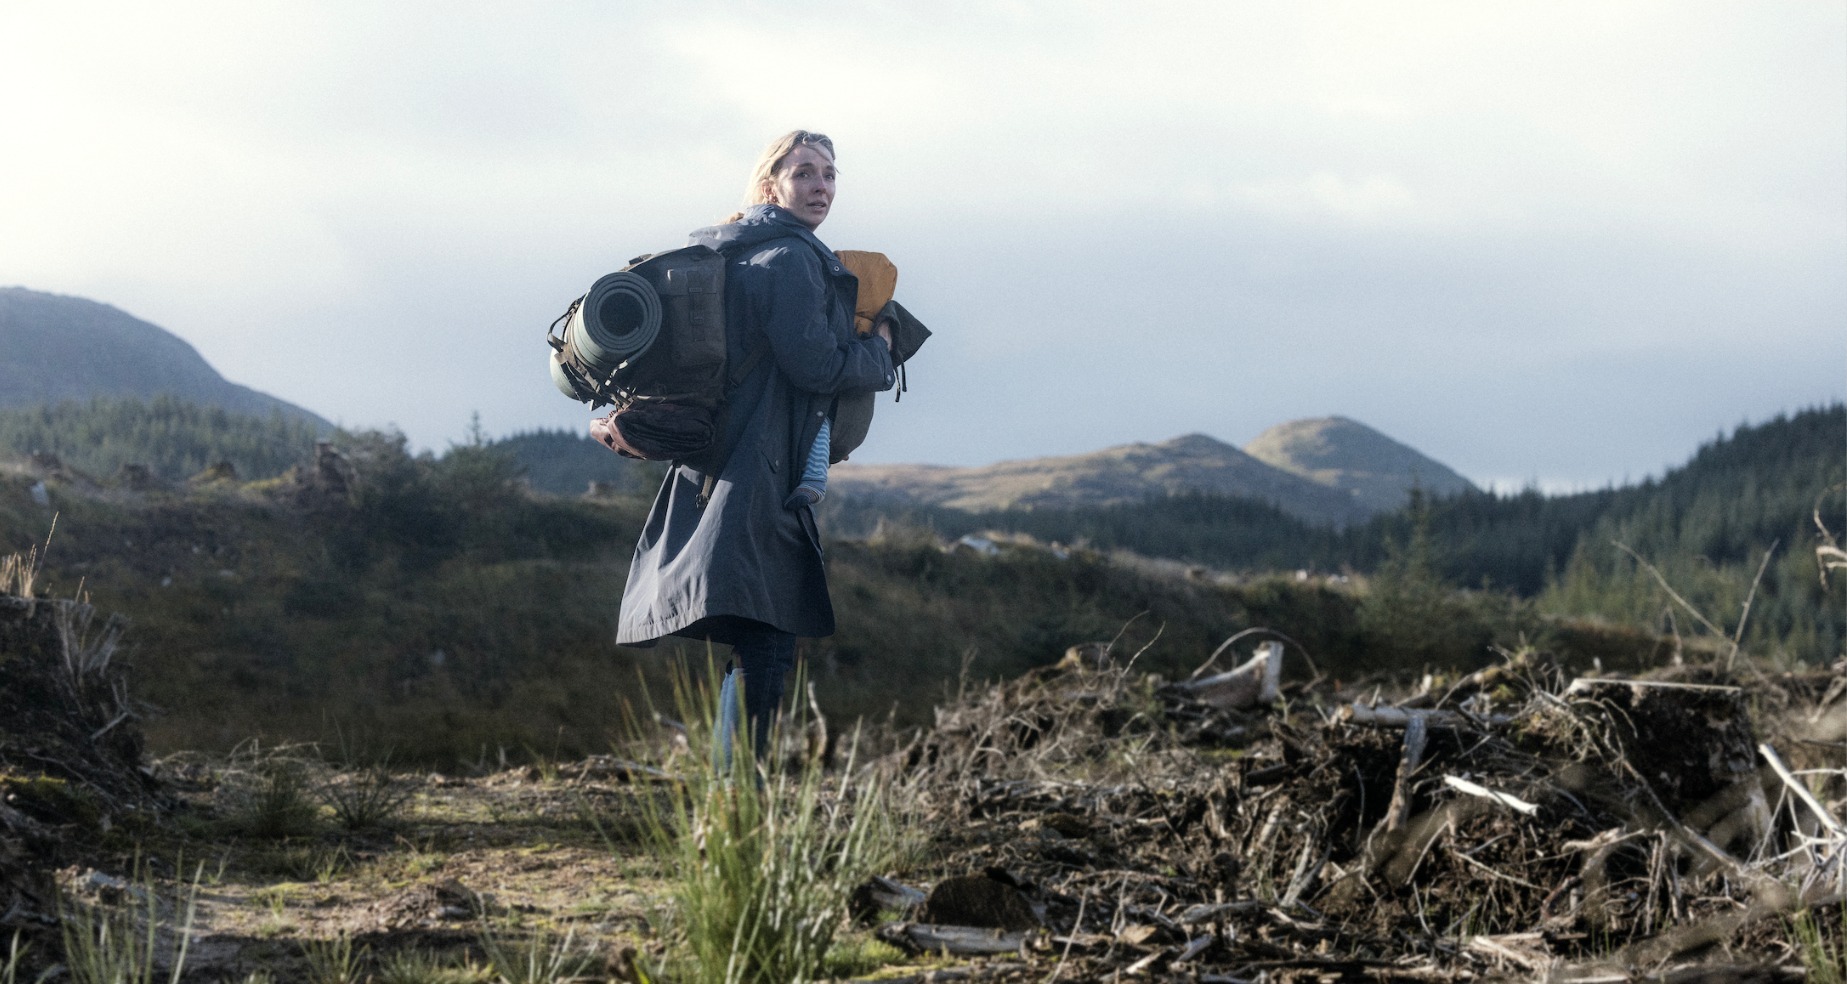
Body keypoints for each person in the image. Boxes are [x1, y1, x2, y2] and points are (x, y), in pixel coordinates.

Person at [615, 130, 895, 761]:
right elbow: (816, 366)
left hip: (718, 466)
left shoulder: (736, 253)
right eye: (804, 174)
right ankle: (741, 799)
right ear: (771, 185)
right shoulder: (791, 259)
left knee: (756, 635)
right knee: (767, 634)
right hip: (759, 469)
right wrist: (877, 354)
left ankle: (731, 798)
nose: (820, 186)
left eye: (829, 174)